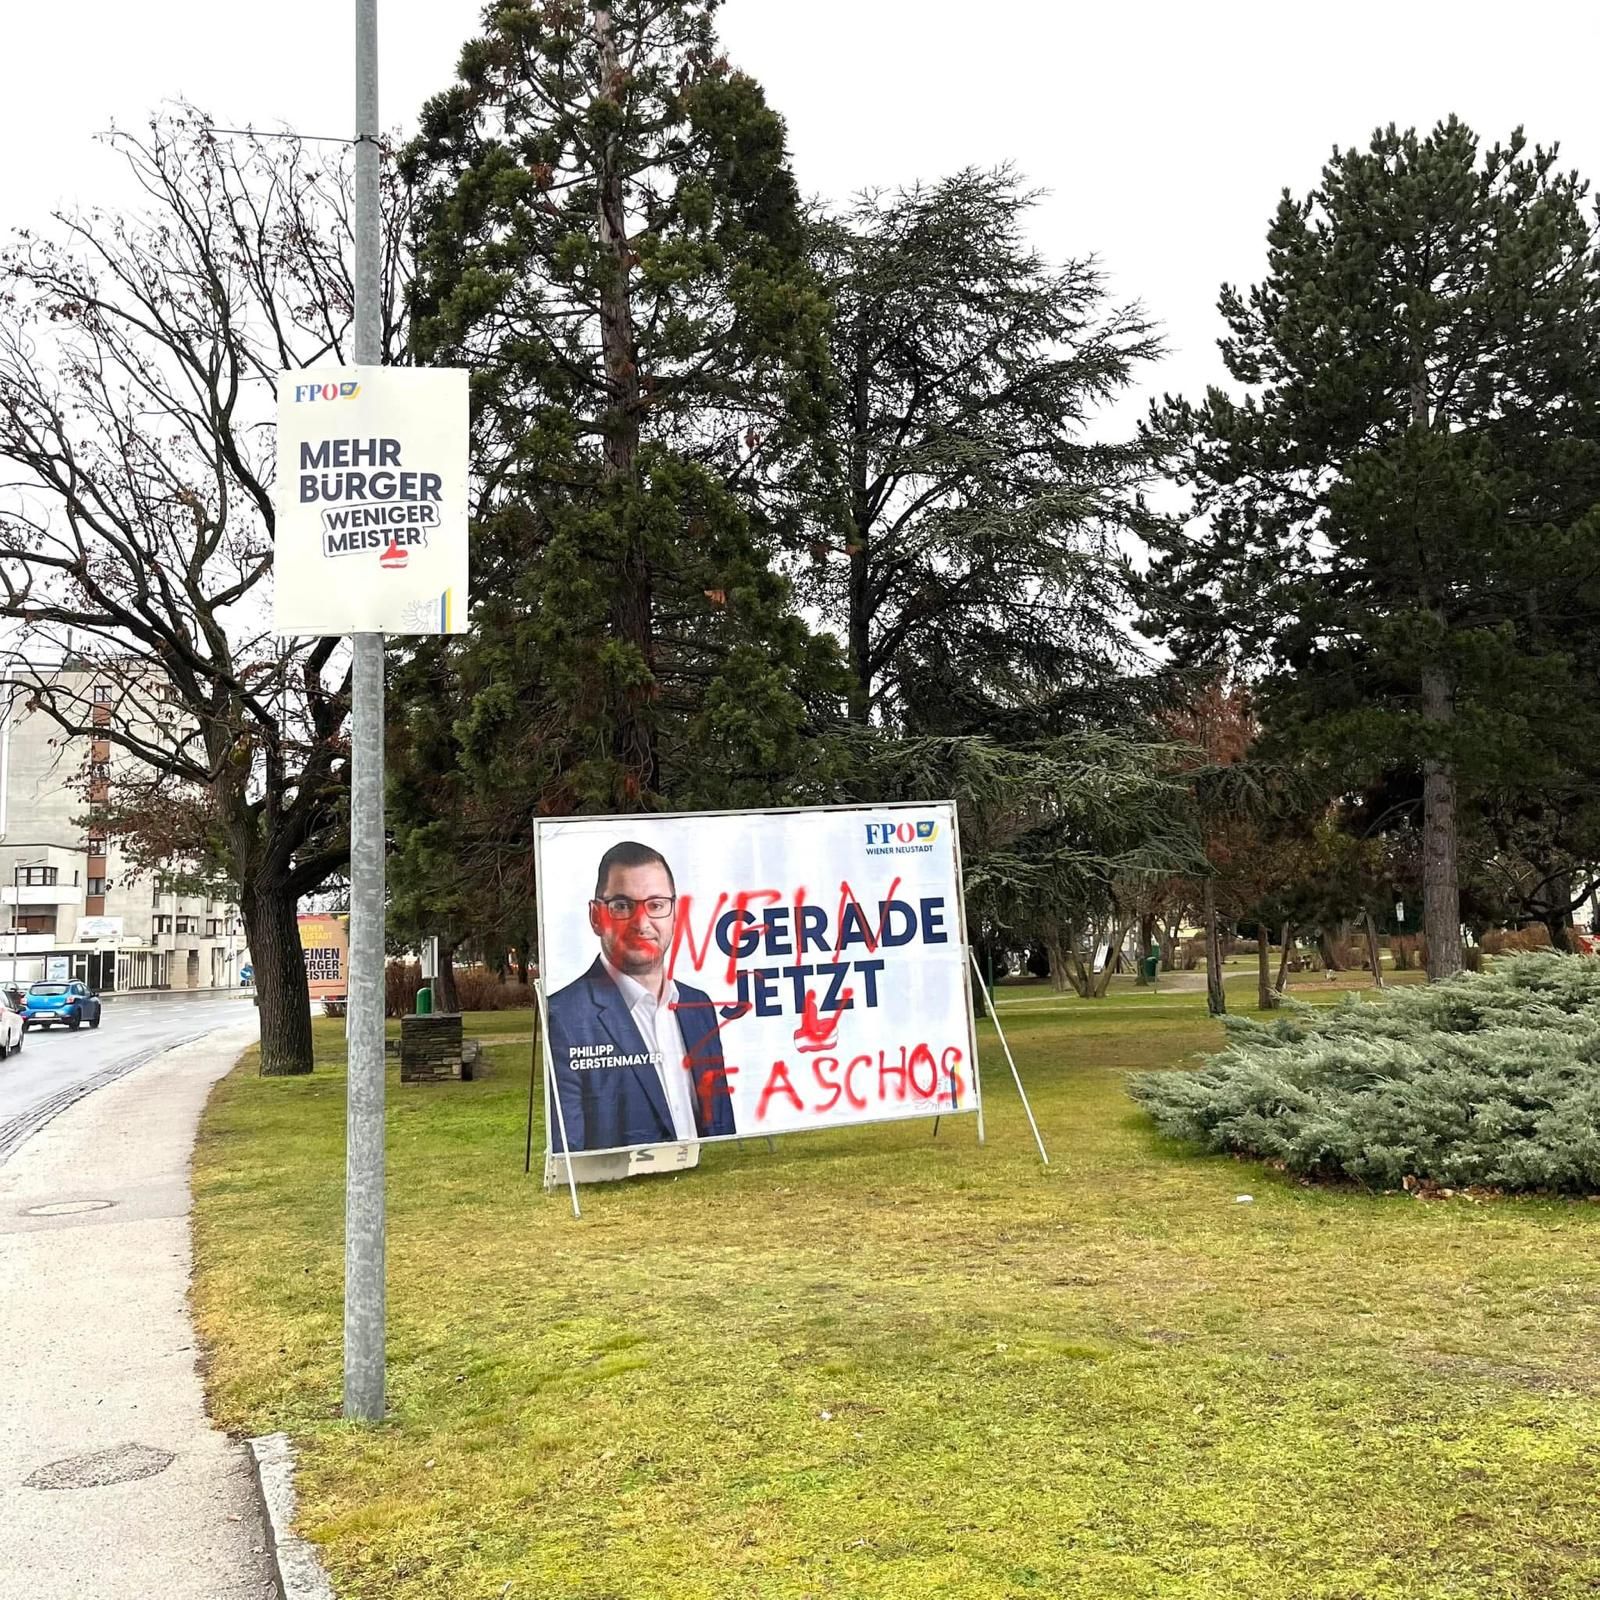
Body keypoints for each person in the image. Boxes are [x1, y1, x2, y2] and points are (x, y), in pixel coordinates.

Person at [545, 840, 736, 1153]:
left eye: (656, 905)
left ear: (676, 914)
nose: (642, 923)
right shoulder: (565, 1016)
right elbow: (570, 1153)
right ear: (596, 916)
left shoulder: (698, 1006)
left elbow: (722, 1124)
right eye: (622, 906)